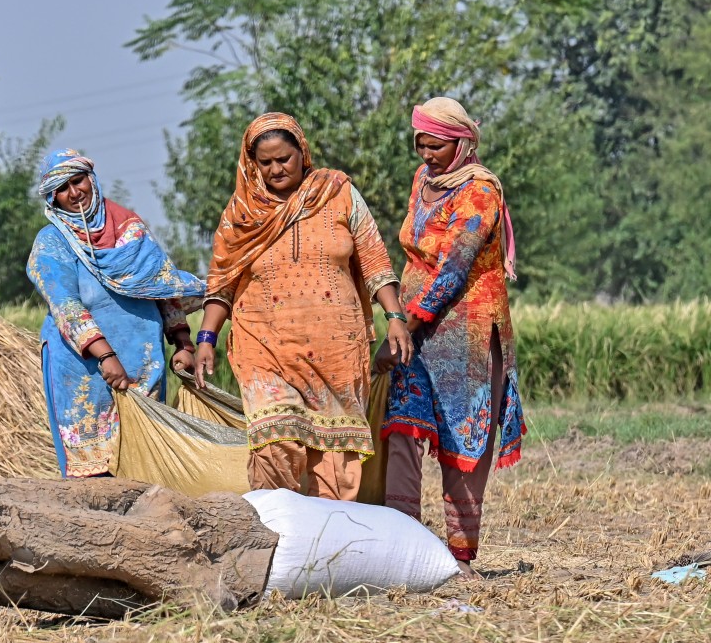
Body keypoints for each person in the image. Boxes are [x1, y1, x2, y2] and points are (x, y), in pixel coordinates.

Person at [194, 113, 413, 500]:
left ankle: (329, 549)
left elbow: (376, 260)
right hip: (265, 347)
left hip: (337, 352)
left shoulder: (339, 193)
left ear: (303, 153)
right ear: (253, 164)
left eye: (285, 159)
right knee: (276, 442)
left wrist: (395, 317)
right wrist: (207, 339)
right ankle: (275, 538)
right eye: (266, 162)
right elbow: (222, 283)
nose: (276, 169)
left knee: (335, 461)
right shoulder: (241, 214)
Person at [375, 96, 527, 580]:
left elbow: (455, 268)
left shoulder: (480, 190)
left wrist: (407, 323)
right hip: (415, 329)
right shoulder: (424, 181)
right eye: (420, 145)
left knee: (464, 441)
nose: (426, 155)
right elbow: (414, 257)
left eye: (436, 145)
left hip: (466, 335)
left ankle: (459, 560)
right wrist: (399, 320)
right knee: (403, 426)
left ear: (462, 142)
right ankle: (402, 548)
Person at [27, 148, 205, 478]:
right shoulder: (51, 242)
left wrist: (183, 343)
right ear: (53, 198)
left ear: (91, 179)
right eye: (63, 188)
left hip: (142, 359)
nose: (74, 193)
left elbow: (159, 287)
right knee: (95, 472)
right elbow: (66, 306)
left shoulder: (131, 230)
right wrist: (105, 355)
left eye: (77, 181)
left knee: (146, 466)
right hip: (82, 367)